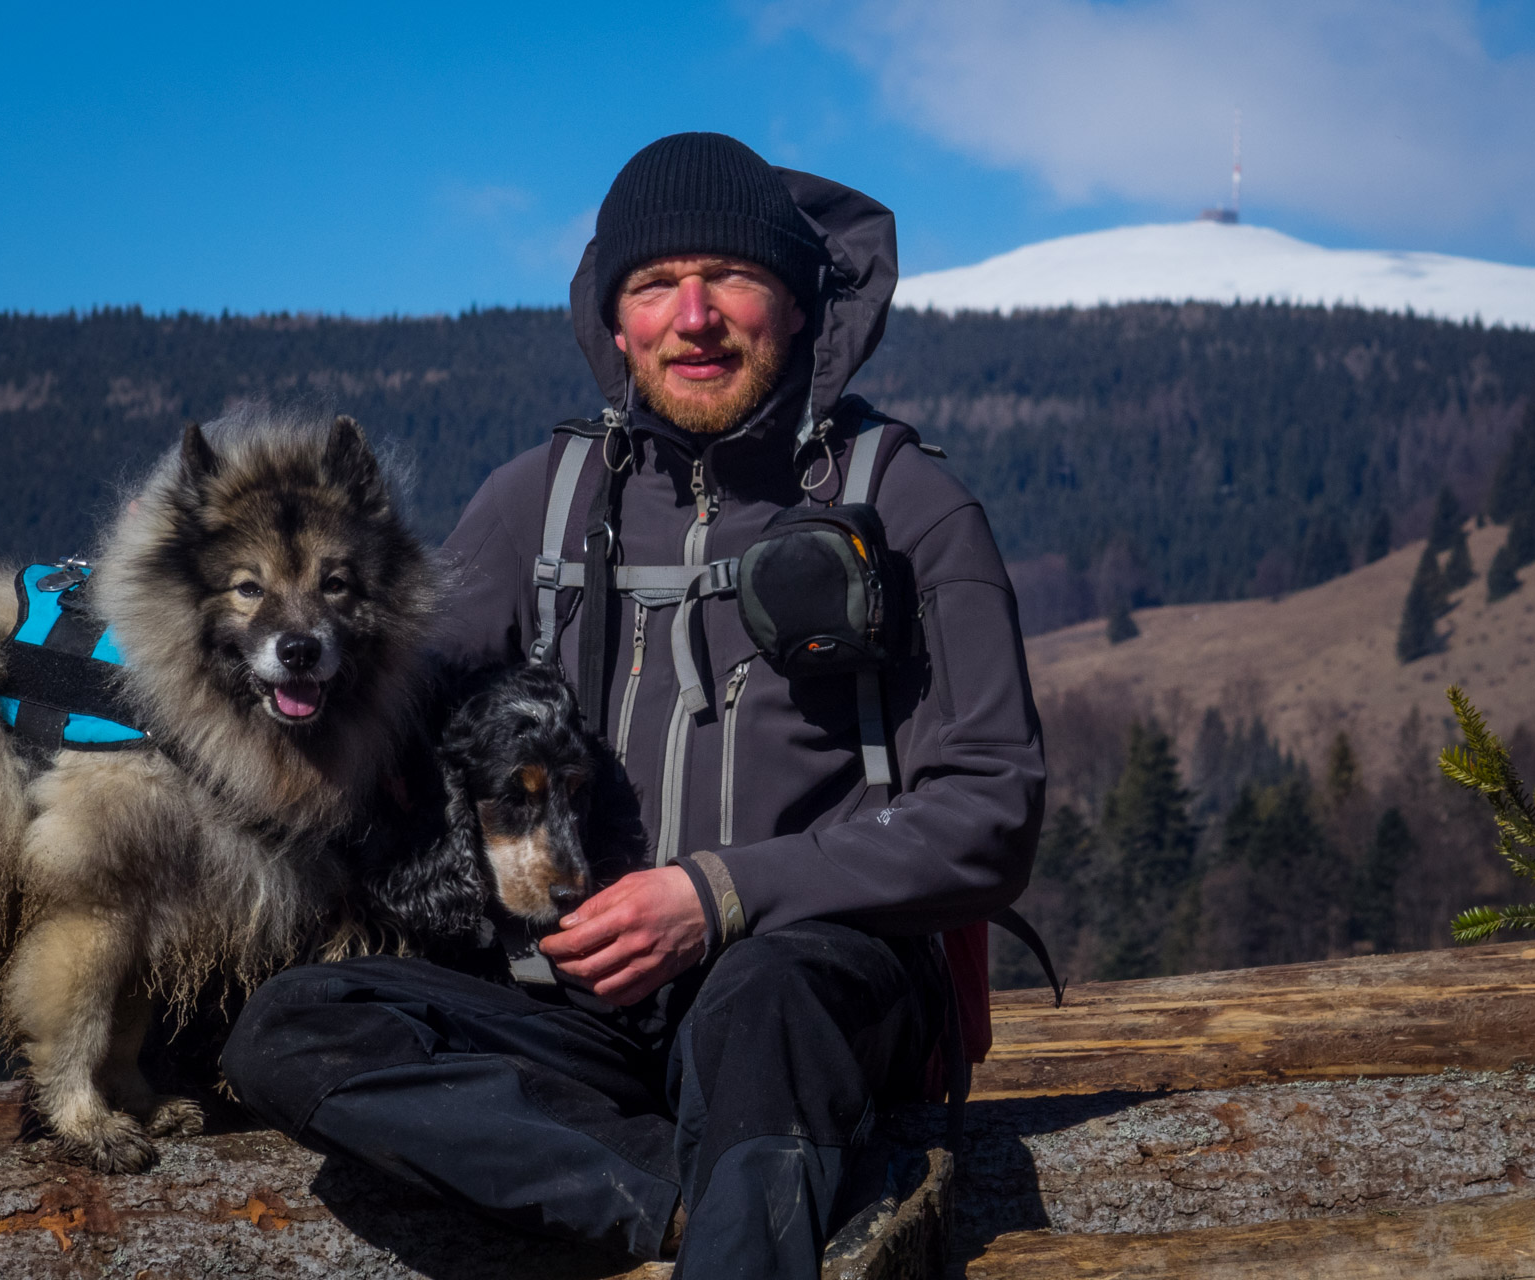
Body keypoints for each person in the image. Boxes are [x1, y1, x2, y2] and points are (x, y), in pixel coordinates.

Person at [223, 132, 1043, 1277]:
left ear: (798, 305)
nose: (693, 314)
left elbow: (993, 810)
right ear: (615, 323)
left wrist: (718, 895)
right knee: (291, 1026)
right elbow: (375, 700)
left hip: (818, 985)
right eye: (655, 284)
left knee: (764, 993)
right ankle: (677, 1197)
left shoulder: (906, 503)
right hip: (576, 1007)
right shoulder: (537, 505)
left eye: (731, 278)